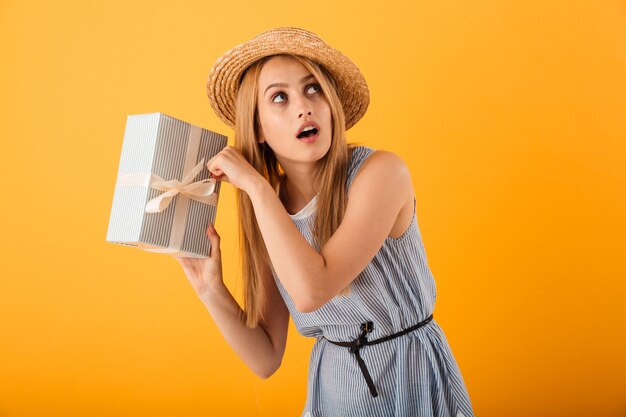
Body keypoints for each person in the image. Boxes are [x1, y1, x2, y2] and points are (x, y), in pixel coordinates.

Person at [175, 27, 474, 417]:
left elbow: (313, 289)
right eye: (279, 97)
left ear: (332, 103)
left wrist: (254, 184)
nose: (304, 107)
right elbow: (265, 358)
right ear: (259, 128)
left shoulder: (382, 173)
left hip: (410, 379)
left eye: (313, 88)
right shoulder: (271, 210)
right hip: (334, 391)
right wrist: (210, 288)